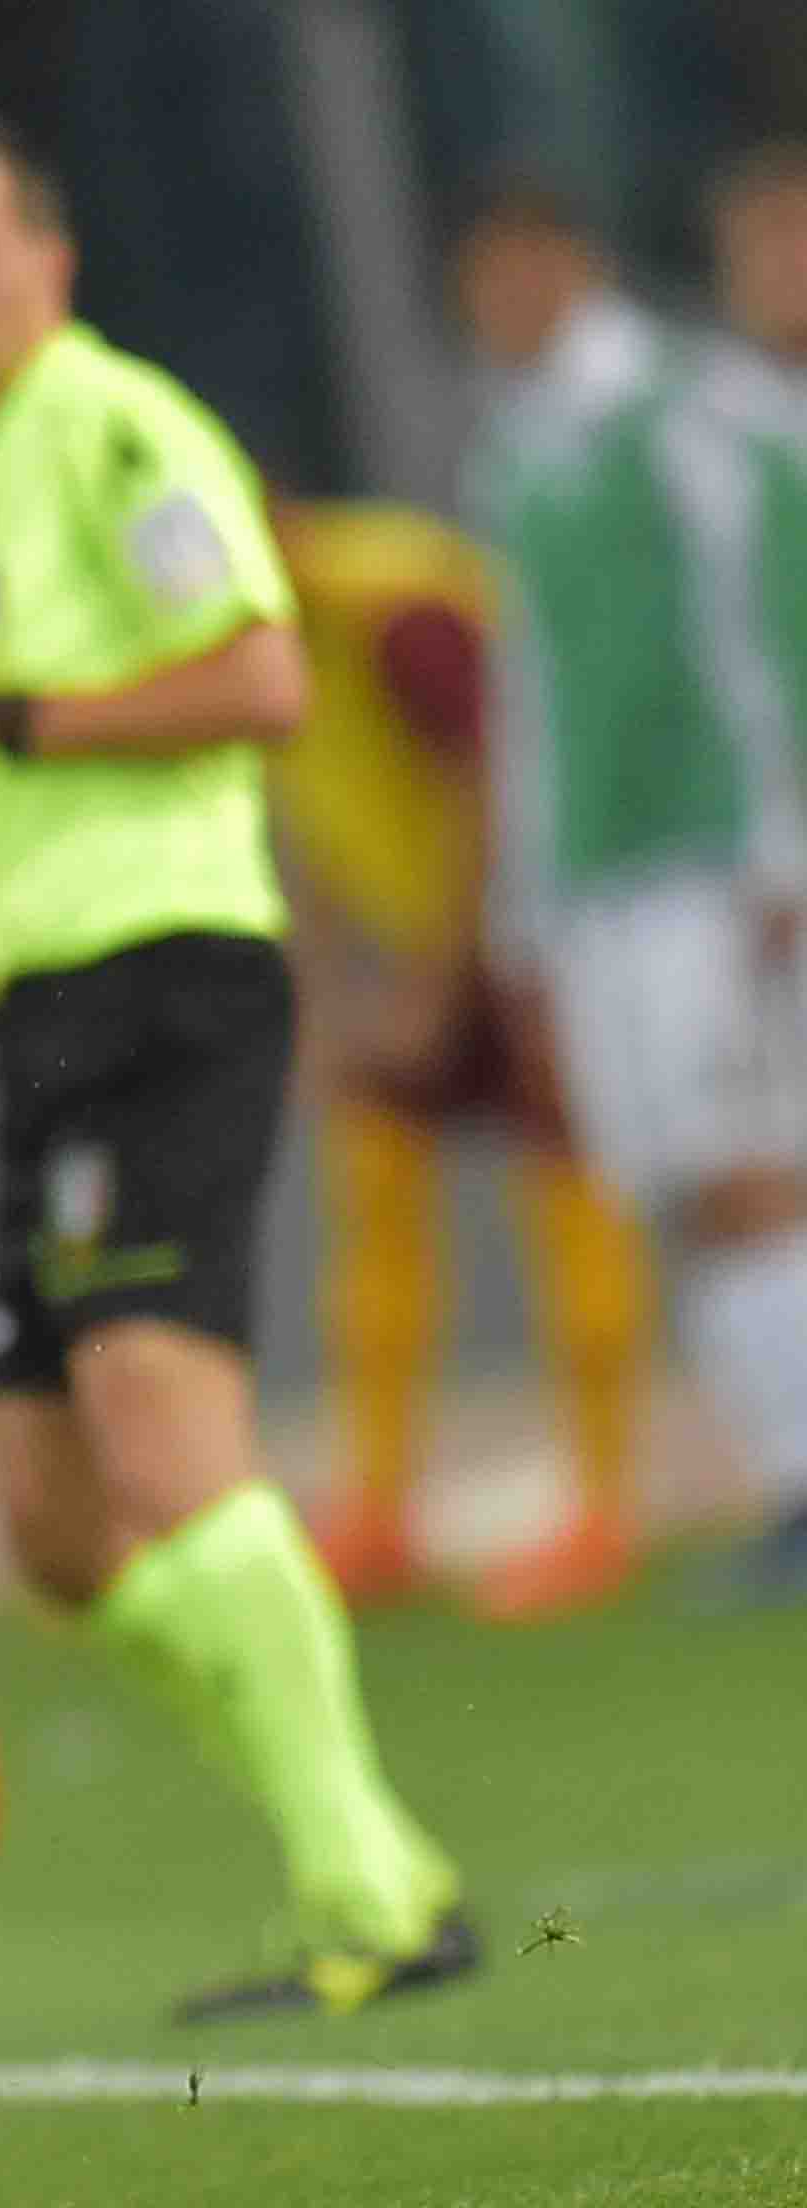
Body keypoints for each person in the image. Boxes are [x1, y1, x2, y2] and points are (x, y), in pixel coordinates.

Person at [0, 101, 470, 2018]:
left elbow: (260, 675)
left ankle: (369, 1885)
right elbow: (18, 862)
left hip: (169, 983)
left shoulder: (117, 431)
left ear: (49, 264)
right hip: (45, 1013)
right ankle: (370, 1850)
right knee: (50, 1530)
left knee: (160, 1440)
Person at [453, 181, 807, 1599]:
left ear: (575, 259)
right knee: (680, 1176)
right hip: (599, 879)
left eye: (517, 267)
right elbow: (529, 692)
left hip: (711, 852)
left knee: (751, 1159)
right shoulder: (515, 450)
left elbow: (757, 622)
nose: (499, 301)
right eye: (478, 281)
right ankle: (785, 1479)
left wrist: (779, 840)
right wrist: (521, 910)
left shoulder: (688, 410)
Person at [267, 494, 650, 1620]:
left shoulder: (397, 607)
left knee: (569, 1197)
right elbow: (315, 817)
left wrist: (440, 985)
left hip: (535, 932)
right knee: (373, 1199)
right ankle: (378, 1508)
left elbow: (496, 781)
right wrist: (324, 999)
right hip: (416, 936)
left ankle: (603, 1506)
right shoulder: (242, 629)